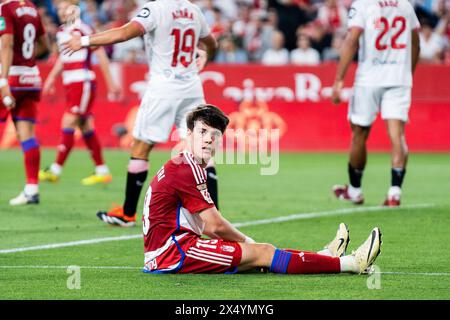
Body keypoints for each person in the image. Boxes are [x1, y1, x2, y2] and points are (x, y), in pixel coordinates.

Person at [140, 104, 382, 275]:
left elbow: (207, 226)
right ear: (189, 134)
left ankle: (326, 257)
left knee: (260, 256)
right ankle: (352, 263)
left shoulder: (185, 164)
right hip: (173, 253)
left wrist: (249, 247)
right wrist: (248, 241)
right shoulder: (186, 167)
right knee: (263, 252)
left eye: (215, 135)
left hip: (174, 248)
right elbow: (214, 226)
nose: (208, 139)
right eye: (202, 132)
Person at [62, 0, 219, 227]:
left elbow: (125, 33)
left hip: (163, 87)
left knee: (141, 148)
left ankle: (126, 214)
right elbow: (211, 42)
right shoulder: (193, 11)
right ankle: (215, 218)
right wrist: (205, 55)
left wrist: (84, 41)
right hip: (192, 86)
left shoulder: (155, 9)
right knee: (202, 150)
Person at [331, 0, 421, 206]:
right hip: (399, 78)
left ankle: (355, 190)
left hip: (369, 79)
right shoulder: (405, 5)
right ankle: (394, 193)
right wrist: (407, 74)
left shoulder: (363, 4)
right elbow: (416, 43)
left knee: (359, 133)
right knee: (397, 134)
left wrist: (338, 80)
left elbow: (352, 39)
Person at [38, 2, 119, 186]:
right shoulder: (61, 32)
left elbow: (100, 55)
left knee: (69, 120)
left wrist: (111, 82)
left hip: (82, 82)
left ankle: (55, 169)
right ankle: (102, 171)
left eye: (65, 8)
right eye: (59, 9)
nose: (61, 12)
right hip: (70, 83)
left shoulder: (83, 28)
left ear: (74, 9)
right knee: (85, 126)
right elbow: (62, 58)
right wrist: (51, 78)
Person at [0, 0, 49, 205]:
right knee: (27, 135)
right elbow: (45, 45)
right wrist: (26, 59)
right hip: (31, 79)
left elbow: (7, 44)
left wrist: (3, 80)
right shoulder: (33, 9)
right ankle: (31, 189)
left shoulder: (5, 8)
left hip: (10, 78)